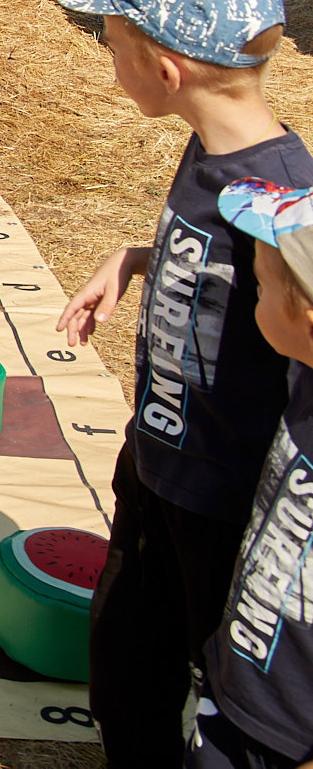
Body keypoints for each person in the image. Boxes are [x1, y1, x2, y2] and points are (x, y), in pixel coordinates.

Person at [52, 0, 309, 769]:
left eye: (113, 46)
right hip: (154, 462)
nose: (106, 61)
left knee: (203, 692)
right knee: (125, 660)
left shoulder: (287, 199)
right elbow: (216, 263)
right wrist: (132, 258)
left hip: (220, 501)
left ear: (166, 70)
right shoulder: (214, 151)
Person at [192, 178, 313, 769]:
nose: (251, 297)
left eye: (260, 287)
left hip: (287, 734)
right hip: (237, 674)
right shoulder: (302, 377)